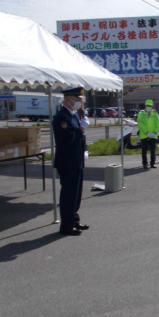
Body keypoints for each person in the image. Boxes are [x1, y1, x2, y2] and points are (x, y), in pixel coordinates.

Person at [52, 87, 89, 236]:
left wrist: (84, 149)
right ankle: (66, 226)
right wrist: (80, 129)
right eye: (77, 99)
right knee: (68, 194)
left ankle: (74, 219)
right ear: (68, 99)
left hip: (76, 160)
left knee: (76, 193)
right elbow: (67, 139)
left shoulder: (73, 115)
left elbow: (79, 137)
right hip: (68, 161)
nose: (80, 102)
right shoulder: (61, 117)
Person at [137, 99, 159, 169]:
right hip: (144, 135)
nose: (148, 107)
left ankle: (152, 163)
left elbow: (157, 125)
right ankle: (145, 164)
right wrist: (146, 133)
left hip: (153, 135)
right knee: (144, 151)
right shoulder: (141, 114)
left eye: (150, 105)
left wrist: (154, 132)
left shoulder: (155, 114)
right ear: (145, 106)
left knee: (153, 150)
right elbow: (140, 124)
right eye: (147, 105)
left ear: (152, 106)